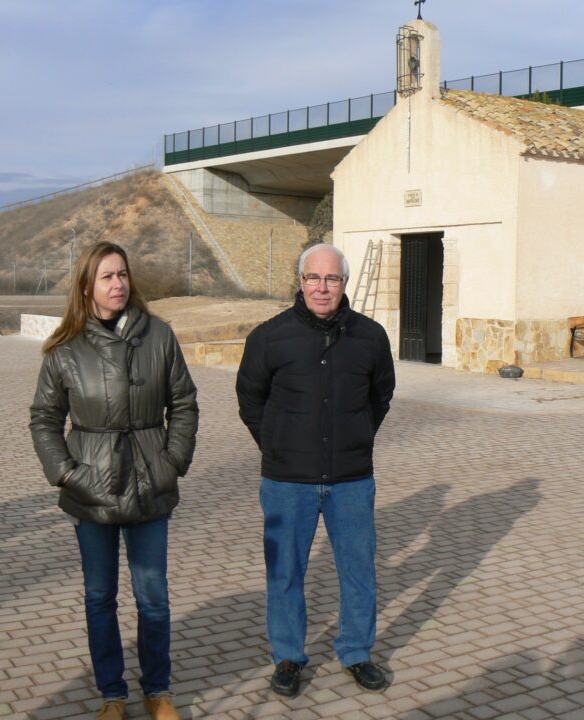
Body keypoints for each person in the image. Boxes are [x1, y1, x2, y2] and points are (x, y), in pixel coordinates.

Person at [29, 241, 198, 720]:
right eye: (107, 276)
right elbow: (44, 418)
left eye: (122, 274)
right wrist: (66, 473)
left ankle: (158, 689)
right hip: (91, 490)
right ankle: (112, 694)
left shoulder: (160, 336)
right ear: (87, 286)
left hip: (150, 483)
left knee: (154, 597)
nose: (118, 284)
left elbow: (184, 403)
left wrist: (171, 462)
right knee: (100, 596)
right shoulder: (65, 349)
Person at [235, 242, 396, 697]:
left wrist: (359, 433)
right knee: (285, 573)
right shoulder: (269, 337)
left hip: (351, 480)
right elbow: (250, 398)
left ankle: (357, 652)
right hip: (288, 481)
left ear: (345, 283)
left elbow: (380, 395)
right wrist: (276, 445)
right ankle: (288, 656)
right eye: (313, 278)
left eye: (332, 279)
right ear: (300, 282)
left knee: (359, 571)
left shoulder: (370, 336)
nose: (322, 288)